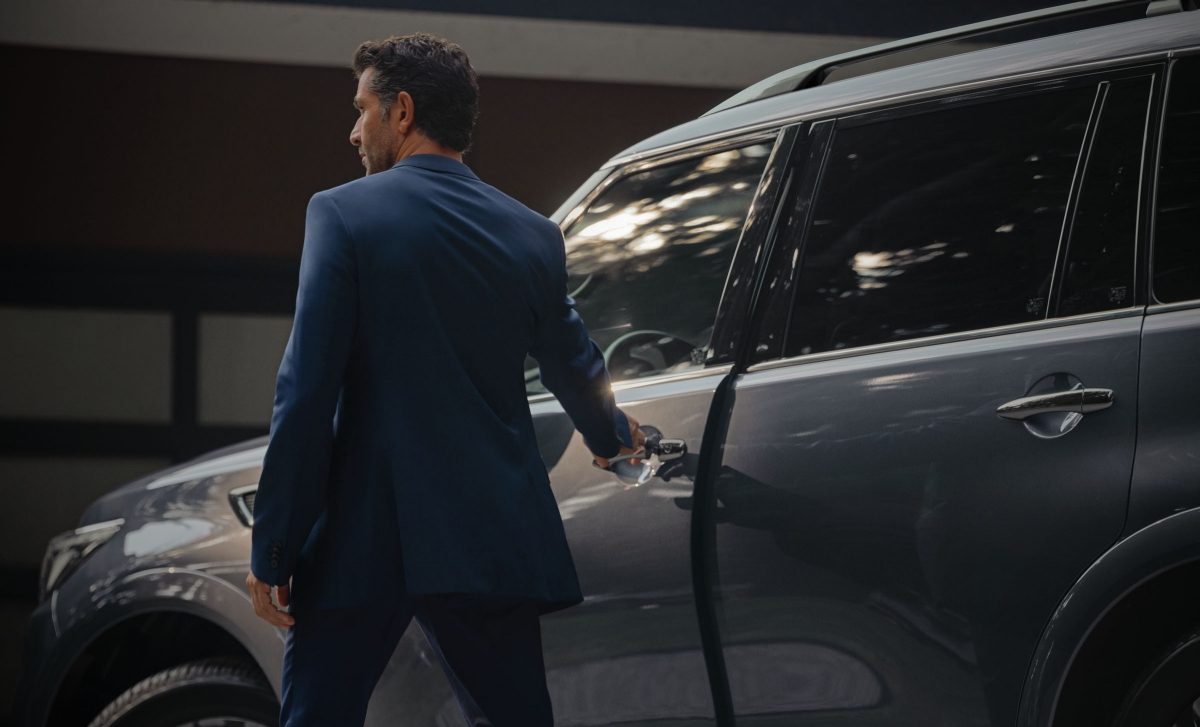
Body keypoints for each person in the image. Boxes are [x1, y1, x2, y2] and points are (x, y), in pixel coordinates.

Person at [243, 32, 643, 727]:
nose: (353, 130)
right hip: (488, 535)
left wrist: (273, 544)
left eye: (361, 110)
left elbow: (305, 394)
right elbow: (574, 364)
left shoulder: (341, 215)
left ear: (402, 112)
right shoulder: (532, 236)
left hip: (359, 539)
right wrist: (612, 436)